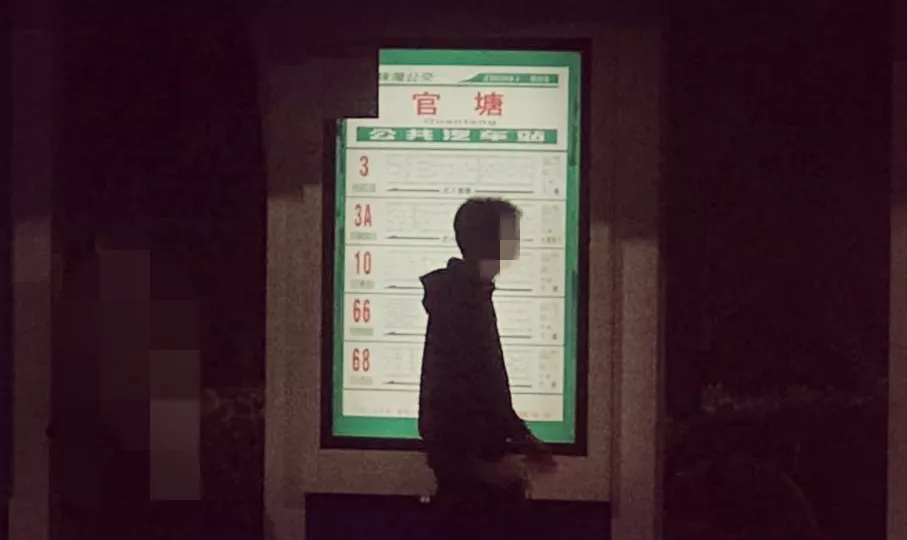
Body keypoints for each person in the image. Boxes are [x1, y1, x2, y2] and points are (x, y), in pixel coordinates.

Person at [418, 197, 556, 539]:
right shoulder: (460, 305)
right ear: (486, 241)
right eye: (511, 236)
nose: (517, 247)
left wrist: (521, 435)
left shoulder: (469, 297)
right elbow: (441, 403)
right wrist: (481, 468)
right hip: (473, 495)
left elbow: (486, 387)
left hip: (479, 483)